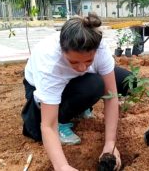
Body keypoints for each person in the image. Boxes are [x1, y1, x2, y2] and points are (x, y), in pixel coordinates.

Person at [21, 13, 130, 170]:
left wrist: (110, 143)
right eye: (73, 61)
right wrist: (62, 166)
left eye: (88, 61)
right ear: (62, 50)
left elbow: (111, 97)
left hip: (80, 80)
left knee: (128, 81)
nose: (81, 67)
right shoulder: (50, 63)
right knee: (95, 85)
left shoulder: (100, 48)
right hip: (38, 86)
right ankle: (64, 119)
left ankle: (81, 103)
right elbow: (48, 125)